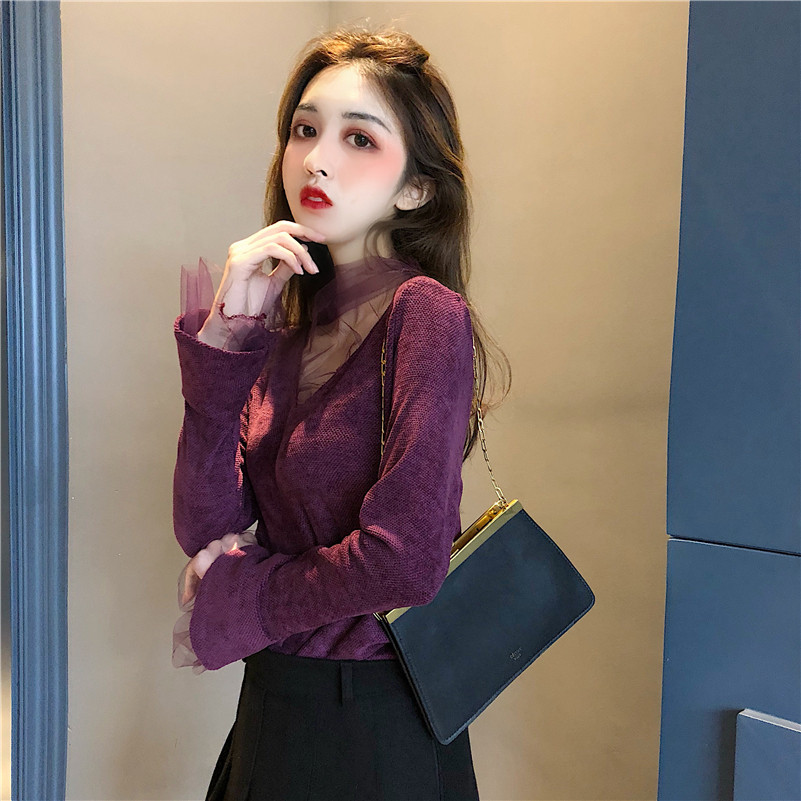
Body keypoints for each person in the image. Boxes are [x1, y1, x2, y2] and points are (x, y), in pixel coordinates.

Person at [171, 22, 510, 801]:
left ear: (415, 188)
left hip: (368, 721)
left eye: (359, 138)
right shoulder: (285, 333)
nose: (316, 159)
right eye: (304, 130)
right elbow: (205, 524)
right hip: (272, 701)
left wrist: (242, 589)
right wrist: (226, 337)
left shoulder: (423, 314)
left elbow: (406, 560)